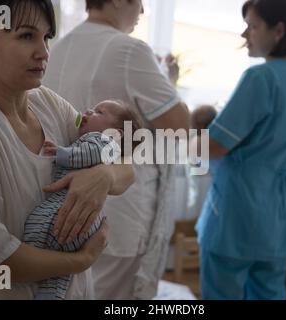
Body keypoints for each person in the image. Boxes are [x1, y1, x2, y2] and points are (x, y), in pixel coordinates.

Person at [0, 0, 134, 300]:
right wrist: (79, 261)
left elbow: (126, 164)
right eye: (26, 36)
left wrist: (104, 175)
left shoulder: (50, 105)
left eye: (46, 37)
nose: (44, 52)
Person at [43, 0, 190, 299]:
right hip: (119, 212)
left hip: (62, 208)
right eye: (140, 2)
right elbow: (180, 125)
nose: (143, 11)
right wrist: (166, 81)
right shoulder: (130, 51)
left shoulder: (55, 51)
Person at [193, 0, 286, 300]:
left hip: (238, 212)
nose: (245, 35)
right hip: (280, 217)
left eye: (253, 26)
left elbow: (214, 146)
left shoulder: (261, 79)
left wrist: (188, 139)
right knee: (268, 293)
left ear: (278, 30)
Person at [25, 100, 141, 300]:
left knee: (37, 227)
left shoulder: (102, 141)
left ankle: (31, 261)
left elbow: (88, 154)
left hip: (68, 211)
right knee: (60, 271)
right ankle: (50, 293)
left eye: (99, 111)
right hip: (84, 223)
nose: (88, 110)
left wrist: (61, 153)